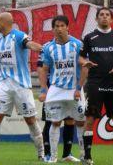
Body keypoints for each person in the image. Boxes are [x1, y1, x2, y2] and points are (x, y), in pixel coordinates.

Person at [0, 12, 44, 162]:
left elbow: (28, 43)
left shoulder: (18, 35)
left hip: (21, 85)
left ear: (3, 23)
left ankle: (41, 152)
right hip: (4, 84)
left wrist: (39, 48)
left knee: (30, 119)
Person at [79, 7, 113, 165]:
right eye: (101, 15)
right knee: (90, 119)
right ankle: (87, 157)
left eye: (107, 15)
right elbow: (80, 57)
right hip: (95, 83)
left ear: (111, 19)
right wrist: (85, 62)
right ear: (96, 19)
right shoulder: (89, 37)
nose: (104, 17)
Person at [37, 15, 86, 163]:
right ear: (53, 29)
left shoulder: (78, 44)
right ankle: (53, 157)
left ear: (67, 27)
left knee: (80, 121)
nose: (59, 29)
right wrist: (44, 89)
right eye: (56, 26)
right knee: (55, 122)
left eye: (62, 26)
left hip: (74, 89)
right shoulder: (47, 47)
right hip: (56, 88)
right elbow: (43, 69)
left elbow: (85, 66)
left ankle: (84, 156)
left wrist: (79, 87)